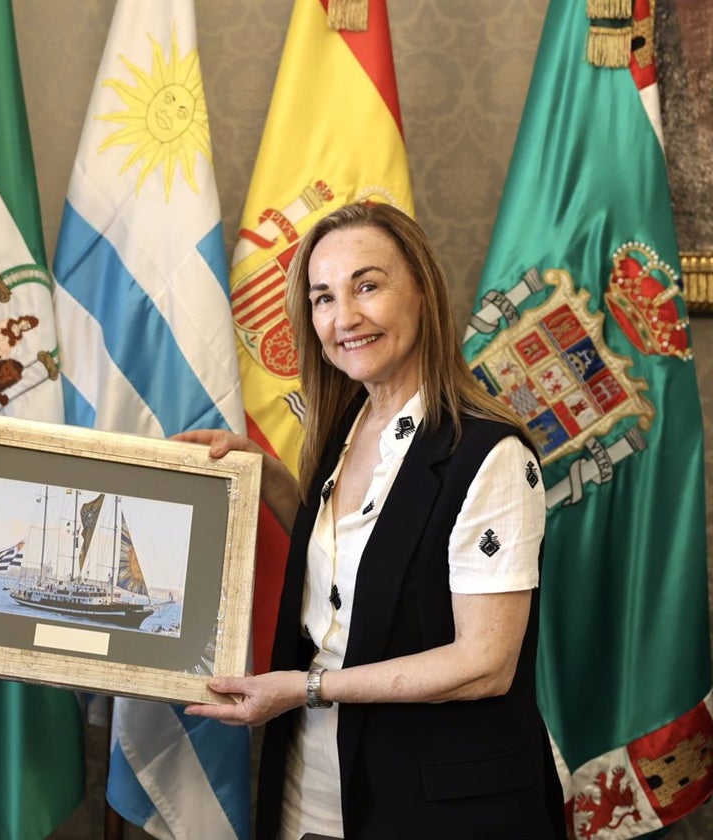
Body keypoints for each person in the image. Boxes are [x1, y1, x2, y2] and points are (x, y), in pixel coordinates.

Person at [183, 202, 564, 839]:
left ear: (422, 291)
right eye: (324, 297)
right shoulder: (345, 423)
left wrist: (308, 688)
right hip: (315, 783)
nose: (346, 318)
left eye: (368, 285)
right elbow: (361, 553)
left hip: (443, 806)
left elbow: (485, 662)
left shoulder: (489, 455)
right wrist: (265, 475)